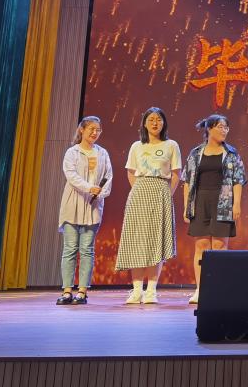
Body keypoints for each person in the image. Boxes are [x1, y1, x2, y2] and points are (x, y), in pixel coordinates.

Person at [116, 107, 181, 305]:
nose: (155, 123)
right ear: (144, 123)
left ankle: (151, 290)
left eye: (159, 119)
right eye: (151, 119)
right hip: (139, 193)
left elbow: (176, 174)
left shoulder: (171, 145)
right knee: (136, 241)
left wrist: (166, 195)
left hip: (161, 191)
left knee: (155, 241)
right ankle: (137, 290)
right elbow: (131, 172)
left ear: (164, 123)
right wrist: (139, 192)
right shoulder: (137, 146)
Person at [183, 114, 246, 304]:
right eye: (220, 127)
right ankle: (200, 289)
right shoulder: (196, 153)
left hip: (223, 202)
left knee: (219, 246)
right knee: (201, 246)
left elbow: (238, 180)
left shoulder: (231, 153)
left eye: (226, 127)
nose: (224, 130)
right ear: (209, 129)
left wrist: (236, 204)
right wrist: (187, 206)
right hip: (200, 201)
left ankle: (219, 289)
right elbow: (187, 181)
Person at [56, 116, 113, 306]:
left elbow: (108, 177)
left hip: (93, 207)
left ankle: (82, 291)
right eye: (91, 129)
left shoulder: (102, 153)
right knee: (70, 248)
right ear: (82, 130)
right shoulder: (72, 152)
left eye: (98, 130)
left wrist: (100, 192)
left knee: (87, 249)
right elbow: (71, 175)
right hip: (73, 204)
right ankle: (66, 291)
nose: (95, 133)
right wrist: (89, 188)